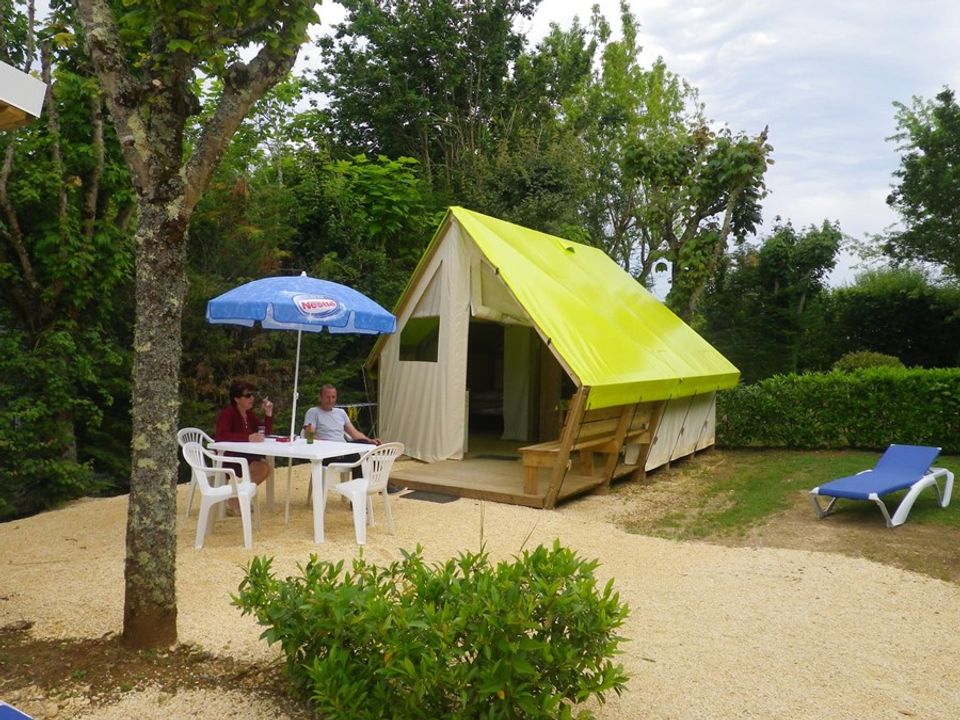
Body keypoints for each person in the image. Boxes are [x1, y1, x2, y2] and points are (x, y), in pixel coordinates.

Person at [303, 384, 403, 492]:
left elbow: (354, 433)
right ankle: (356, 500)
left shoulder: (340, 413)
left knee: (372, 447)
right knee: (359, 459)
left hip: (343, 448)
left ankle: (383, 484)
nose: (330, 400)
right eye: (327, 397)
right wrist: (323, 443)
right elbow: (310, 434)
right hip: (328, 453)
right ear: (320, 397)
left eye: (333, 397)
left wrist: (370, 441)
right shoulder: (313, 412)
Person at [215, 381, 275, 511]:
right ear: (236, 398)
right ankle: (235, 500)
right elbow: (221, 435)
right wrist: (247, 438)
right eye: (247, 396)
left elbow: (266, 432)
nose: (251, 398)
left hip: (243, 455)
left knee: (266, 467)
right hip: (228, 456)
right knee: (263, 468)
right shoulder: (228, 414)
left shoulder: (248, 414)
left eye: (252, 395)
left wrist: (268, 413)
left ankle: (236, 499)